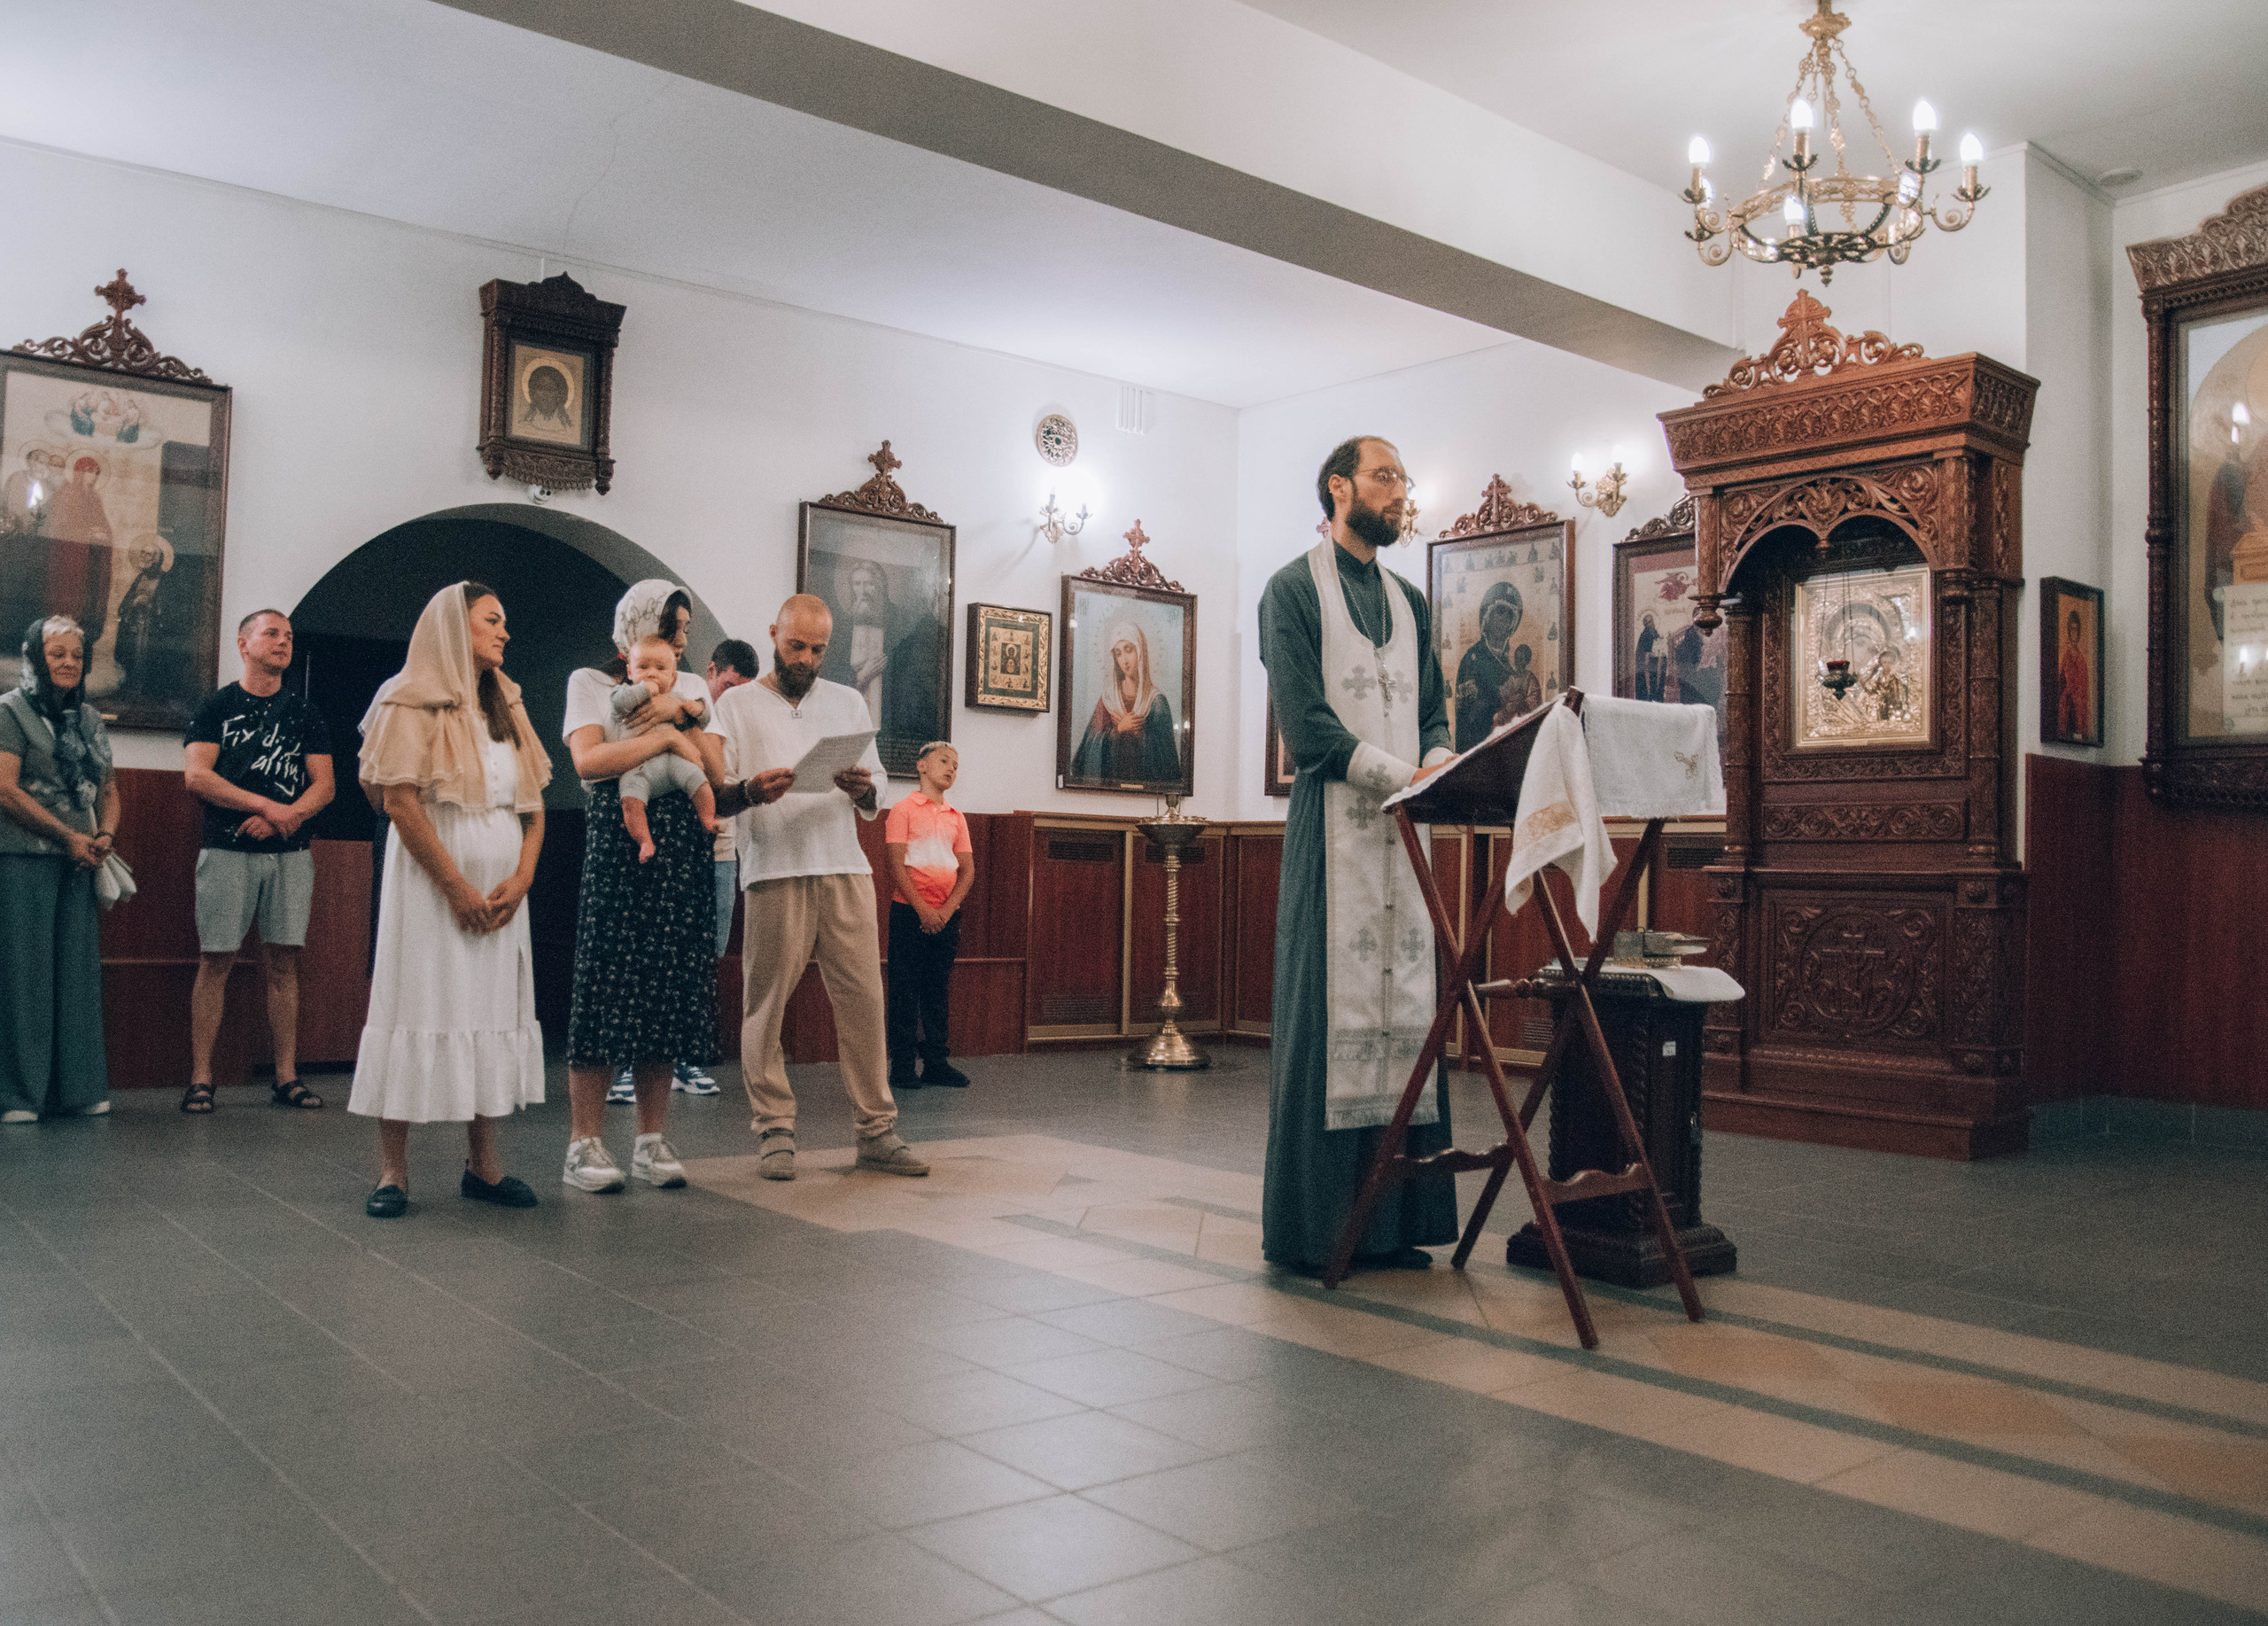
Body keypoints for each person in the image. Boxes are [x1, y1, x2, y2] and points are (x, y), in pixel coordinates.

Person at [1256, 436, 1456, 1273]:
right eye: (1384, 478)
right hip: (1333, 835)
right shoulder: (1292, 589)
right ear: (1338, 487)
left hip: (1406, 844)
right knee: (1326, 1017)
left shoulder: (1410, 599)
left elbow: (1437, 711)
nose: (1399, 493)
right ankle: (1317, 1229)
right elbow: (1306, 730)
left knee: (1407, 1016)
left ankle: (1391, 1222)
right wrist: (1400, 774)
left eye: (1404, 480)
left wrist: (1443, 762)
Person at [708, 594, 928, 1181]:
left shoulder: (848, 701)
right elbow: (718, 792)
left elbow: (879, 786)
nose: (806, 658)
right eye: (795, 645)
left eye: (818, 649)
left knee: (864, 1003)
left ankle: (877, 1130)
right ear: (774, 632)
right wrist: (752, 790)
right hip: (775, 869)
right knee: (765, 1006)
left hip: (844, 868)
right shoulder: (735, 706)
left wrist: (861, 788)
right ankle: (775, 1131)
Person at [349, 584, 550, 1217]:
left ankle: (484, 1165)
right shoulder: (405, 698)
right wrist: (456, 886)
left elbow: (536, 806)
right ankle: (392, 1172)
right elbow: (400, 802)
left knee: (486, 1011)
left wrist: (521, 879)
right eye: (493, 620)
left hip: (500, 893)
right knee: (415, 1003)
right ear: (452, 627)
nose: (505, 632)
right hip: (432, 886)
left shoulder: (506, 701)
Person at [561, 580, 716, 1186]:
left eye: (680, 634)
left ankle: (651, 1140)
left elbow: (717, 766)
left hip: (682, 843)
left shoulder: (695, 689)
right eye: (669, 628)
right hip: (619, 833)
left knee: (667, 985)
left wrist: (682, 716)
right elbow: (589, 761)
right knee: (605, 978)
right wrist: (670, 735)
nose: (679, 640)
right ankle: (584, 1144)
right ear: (634, 632)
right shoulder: (590, 683)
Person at [181, 609, 337, 1114]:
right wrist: (263, 805)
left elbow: (326, 786)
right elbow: (198, 777)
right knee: (216, 961)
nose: (283, 642)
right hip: (226, 850)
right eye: (272, 634)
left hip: (290, 854)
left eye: (289, 635)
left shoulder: (306, 713)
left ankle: (286, 1077)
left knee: (284, 964)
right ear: (244, 644)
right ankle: (202, 1078)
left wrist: (282, 818)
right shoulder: (216, 707)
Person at [0, 617, 117, 1124]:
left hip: (81, 860)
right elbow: (5, 788)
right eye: (57, 654)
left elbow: (109, 790)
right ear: (35, 658)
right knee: (25, 977)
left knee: (77, 975)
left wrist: (105, 835)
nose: (69, 663)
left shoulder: (89, 718)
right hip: (24, 857)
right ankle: (19, 1096)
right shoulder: (10, 710)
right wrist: (67, 836)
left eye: (76, 655)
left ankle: (78, 1090)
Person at [883, 741, 974, 1091]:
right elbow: (895, 861)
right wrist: (923, 909)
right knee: (905, 989)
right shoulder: (903, 809)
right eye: (943, 761)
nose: (951, 768)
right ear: (921, 766)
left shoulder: (956, 817)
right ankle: (903, 1065)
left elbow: (967, 870)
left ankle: (936, 1062)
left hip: (946, 915)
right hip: (910, 913)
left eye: (956, 764)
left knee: (937, 990)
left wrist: (946, 911)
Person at [610, 634, 720, 863]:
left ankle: (707, 817)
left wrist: (697, 708)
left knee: (698, 779)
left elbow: (704, 719)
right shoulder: (623, 694)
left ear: (672, 678)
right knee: (630, 801)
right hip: (638, 768)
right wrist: (646, 689)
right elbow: (619, 704)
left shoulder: (676, 698)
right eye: (643, 667)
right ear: (629, 672)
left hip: (674, 760)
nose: (651, 673)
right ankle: (644, 841)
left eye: (660, 669)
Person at [1070, 619, 1180, 782]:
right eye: (1118, 653)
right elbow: (1084, 757)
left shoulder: (1156, 702)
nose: (1124, 660)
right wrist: (1119, 730)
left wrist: (1140, 735)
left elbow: (1169, 766)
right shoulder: (1108, 700)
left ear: (1140, 651)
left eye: (1129, 650)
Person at [1453, 581, 1522, 745]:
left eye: (1509, 615)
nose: (1504, 619)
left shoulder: (1511, 664)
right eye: (1500, 612)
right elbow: (1468, 719)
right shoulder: (1472, 660)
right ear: (1487, 618)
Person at [2059, 608, 2093, 738]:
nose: (2074, 633)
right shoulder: (2065, 656)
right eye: (2072, 629)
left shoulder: (2081, 659)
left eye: (2076, 629)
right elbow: (2061, 683)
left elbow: (2084, 686)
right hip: (2067, 707)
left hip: (2078, 708)